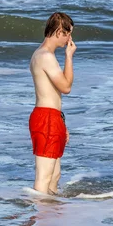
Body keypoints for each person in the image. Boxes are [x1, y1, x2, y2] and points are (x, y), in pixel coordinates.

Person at [29, 12, 76, 195]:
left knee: (55, 175)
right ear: (59, 32)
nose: (69, 39)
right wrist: (69, 57)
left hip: (52, 116)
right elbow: (66, 87)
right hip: (46, 117)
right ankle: (38, 219)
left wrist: (61, 121)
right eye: (68, 34)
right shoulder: (45, 56)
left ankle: (50, 219)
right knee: (44, 177)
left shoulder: (40, 54)